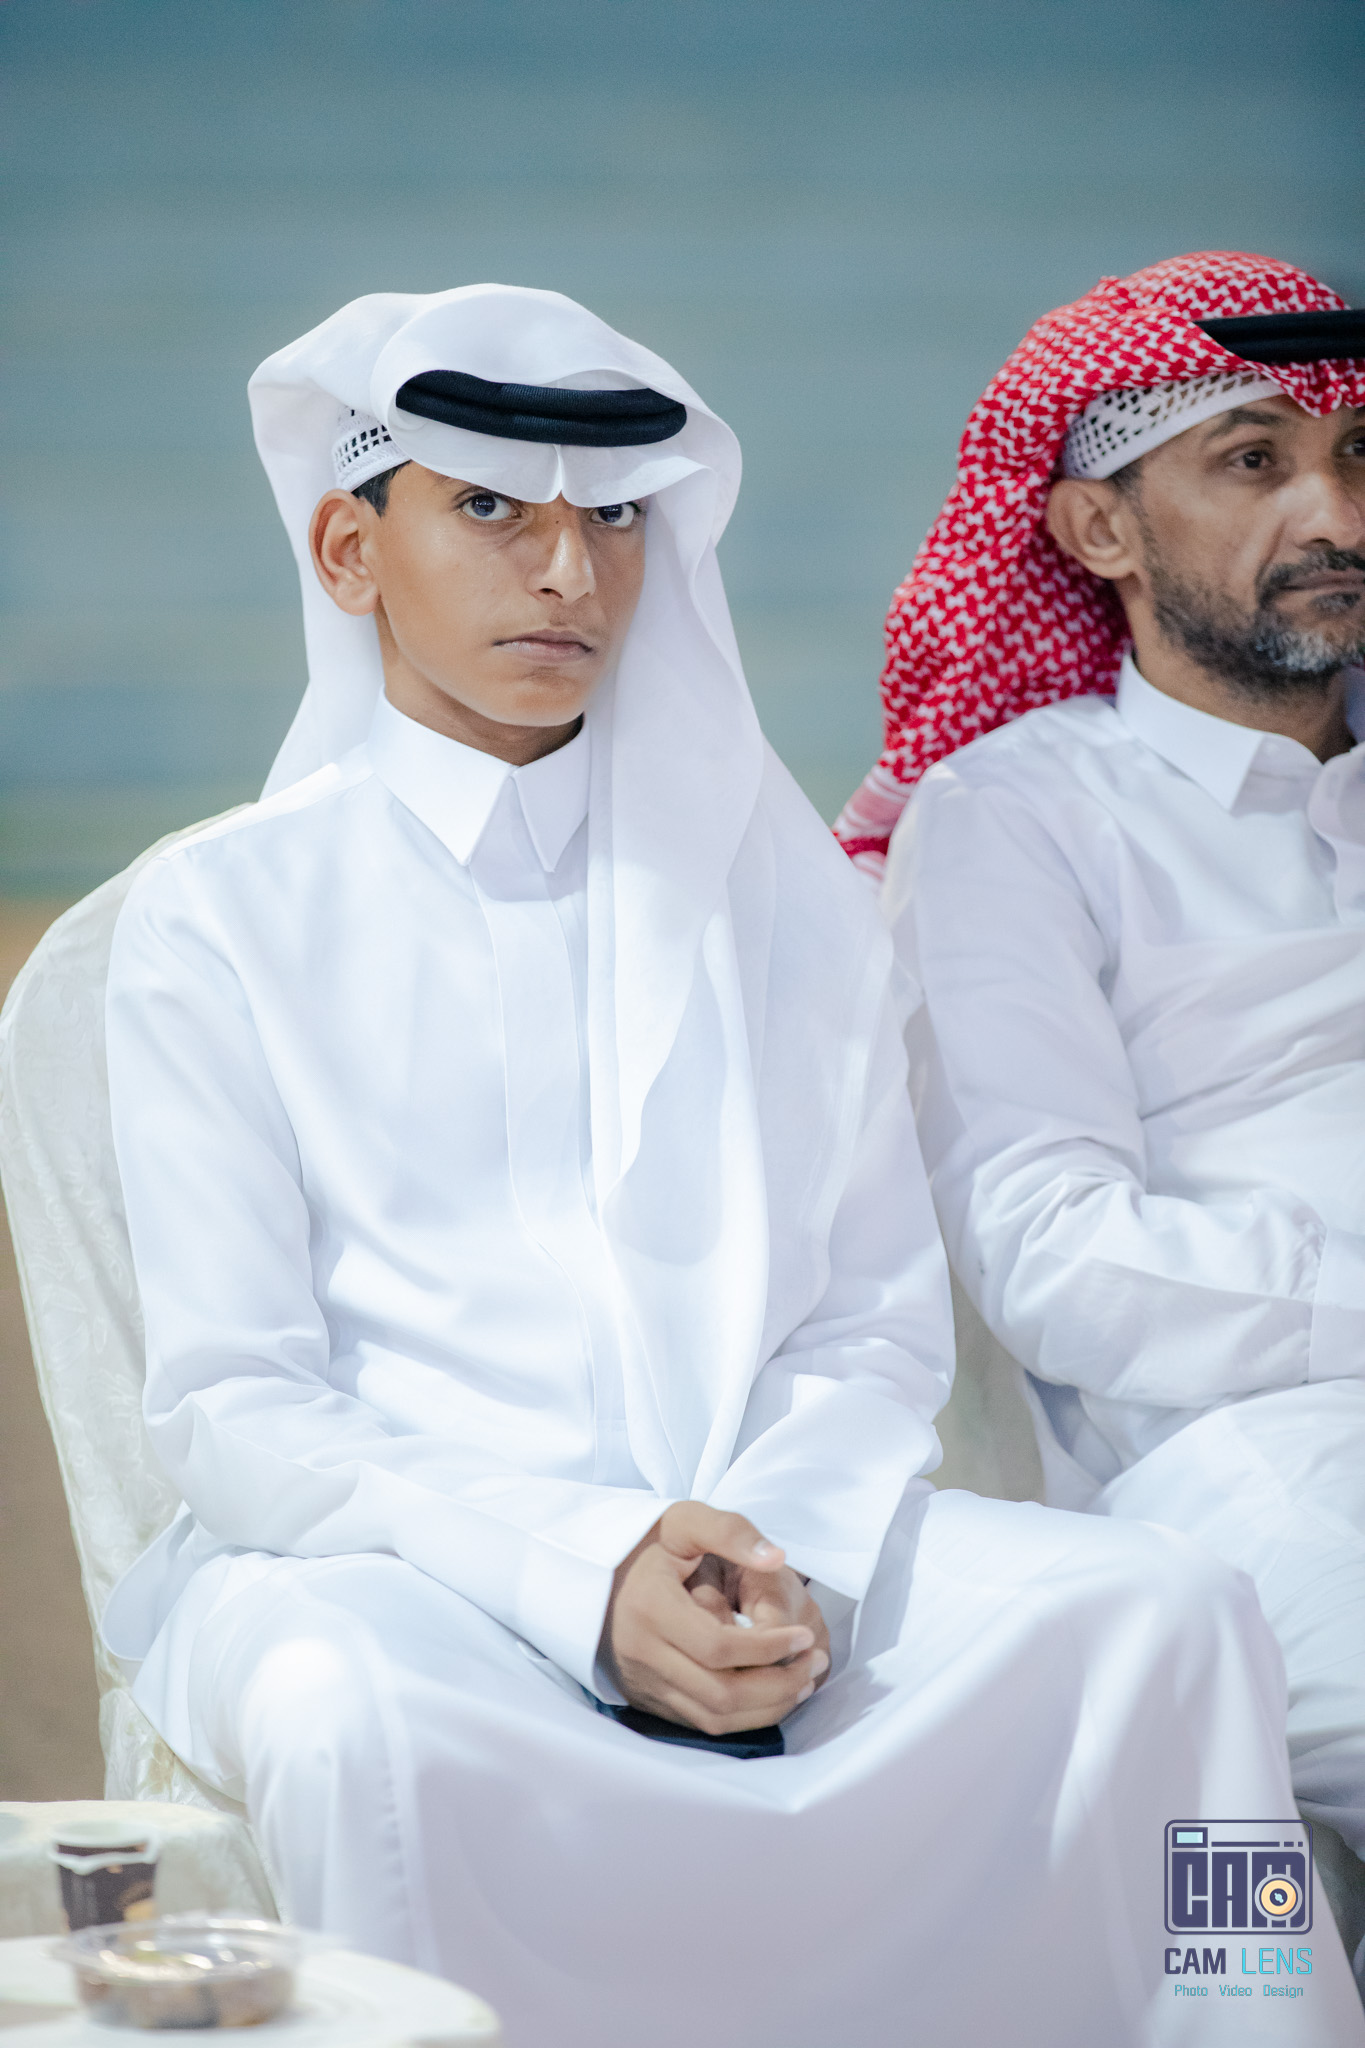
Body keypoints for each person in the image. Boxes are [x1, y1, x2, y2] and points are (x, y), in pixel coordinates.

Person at [100, 283, 1359, 2047]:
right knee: (346, 1716)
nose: (569, 571)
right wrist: (587, 1571)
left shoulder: (773, 898)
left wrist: (785, 1566)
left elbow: (867, 1330)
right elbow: (235, 1404)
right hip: (400, 1570)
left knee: (1166, 1615)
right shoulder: (217, 915)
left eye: (615, 517)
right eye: (491, 508)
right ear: (348, 550)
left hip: (792, 1540)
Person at [840, 251, 1365, 1940]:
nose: (1333, 514)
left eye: (1357, 457)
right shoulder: (1017, 818)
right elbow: (1055, 1257)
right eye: (1252, 461)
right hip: (1257, 1468)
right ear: (1096, 531)